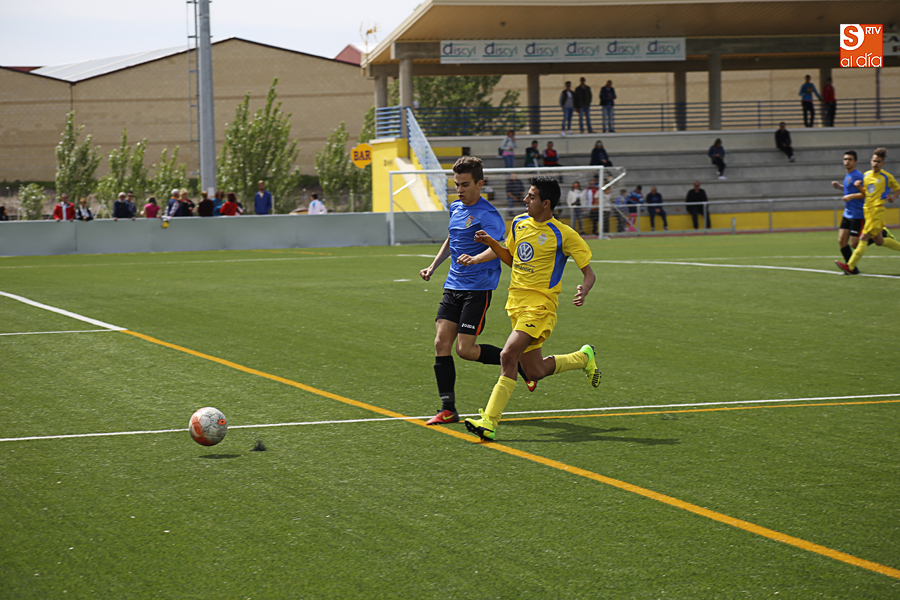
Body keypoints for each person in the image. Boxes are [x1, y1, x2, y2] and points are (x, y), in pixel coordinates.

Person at [457, 175, 600, 441]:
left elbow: (589, 273)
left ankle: (489, 421)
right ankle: (583, 358)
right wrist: (491, 245)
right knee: (535, 371)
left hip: (540, 307)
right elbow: (512, 259)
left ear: (546, 203)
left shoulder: (564, 234)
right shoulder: (519, 223)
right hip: (516, 305)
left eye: (531, 196)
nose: (525, 200)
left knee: (507, 355)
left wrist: (585, 288)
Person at [418, 156, 509, 426]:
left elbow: (499, 247)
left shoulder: (488, 215)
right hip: (453, 285)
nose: (459, 190)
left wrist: (476, 258)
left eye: (465, 184)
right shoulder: (455, 207)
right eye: (456, 184)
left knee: (465, 350)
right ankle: (448, 408)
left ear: (480, 184)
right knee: (440, 343)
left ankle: (518, 363)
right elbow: (452, 238)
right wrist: (433, 266)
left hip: (477, 288)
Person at [836, 148, 900, 275]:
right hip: (867, 211)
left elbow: (898, 188)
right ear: (871, 161)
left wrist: (893, 197)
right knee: (879, 241)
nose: (876, 163)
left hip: (877, 210)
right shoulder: (866, 175)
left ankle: (850, 266)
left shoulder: (886, 177)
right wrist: (859, 186)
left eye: (879, 161)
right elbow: (866, 193)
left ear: (883, 164)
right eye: (874, 161)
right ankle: (883, 233)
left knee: (863, 237)